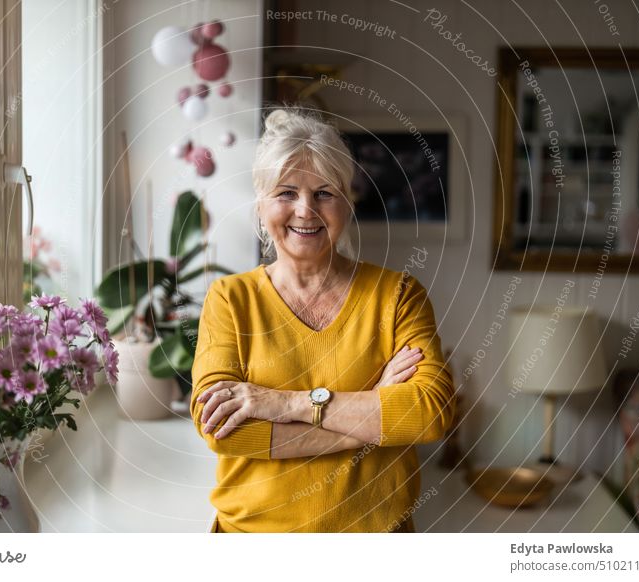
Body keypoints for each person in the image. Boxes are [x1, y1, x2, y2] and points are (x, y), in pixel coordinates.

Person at [190, 108, 455, 533]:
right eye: (286, 192)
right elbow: (223, 430)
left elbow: (428, 412)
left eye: (324, 193)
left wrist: (286, 403)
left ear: (347, 203)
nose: (305, 210)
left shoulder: (398, 295)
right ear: (260, 205)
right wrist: (371, 409)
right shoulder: (230, 300)